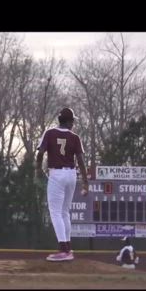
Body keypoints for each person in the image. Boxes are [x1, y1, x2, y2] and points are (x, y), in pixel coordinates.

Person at [35, 107, 89, 262]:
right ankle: (68, 248)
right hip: (71, 174)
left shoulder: (50, 133)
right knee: (65, 212)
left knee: (55, 212)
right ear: (69, 121)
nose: (73, 124)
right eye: (72, 121)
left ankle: (64, 250)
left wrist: (38, 169)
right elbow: (81, 161)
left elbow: (40, 153)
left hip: (57, 174)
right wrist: (85, 182)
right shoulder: (75, 137)